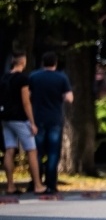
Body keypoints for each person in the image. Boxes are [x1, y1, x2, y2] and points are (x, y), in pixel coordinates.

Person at [1, 50, 46, 195]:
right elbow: (26, 102)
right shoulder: (23, 79)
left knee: (9, 149)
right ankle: (38, 185)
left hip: (5, 118)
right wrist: (32, 123)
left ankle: (10, 186)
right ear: (23, 62)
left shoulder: (4, 78)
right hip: (20, 119)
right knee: (31, 151)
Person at [29, 51, 73, 193]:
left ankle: (35, 181)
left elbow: (27, 95)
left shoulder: (34, 77)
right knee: (53, 152)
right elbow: (69, 98)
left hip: (37, 118)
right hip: (54, 118)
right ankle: (51, 183)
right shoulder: (61, 78)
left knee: (37, 151)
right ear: (55, 63)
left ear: (43, 63)